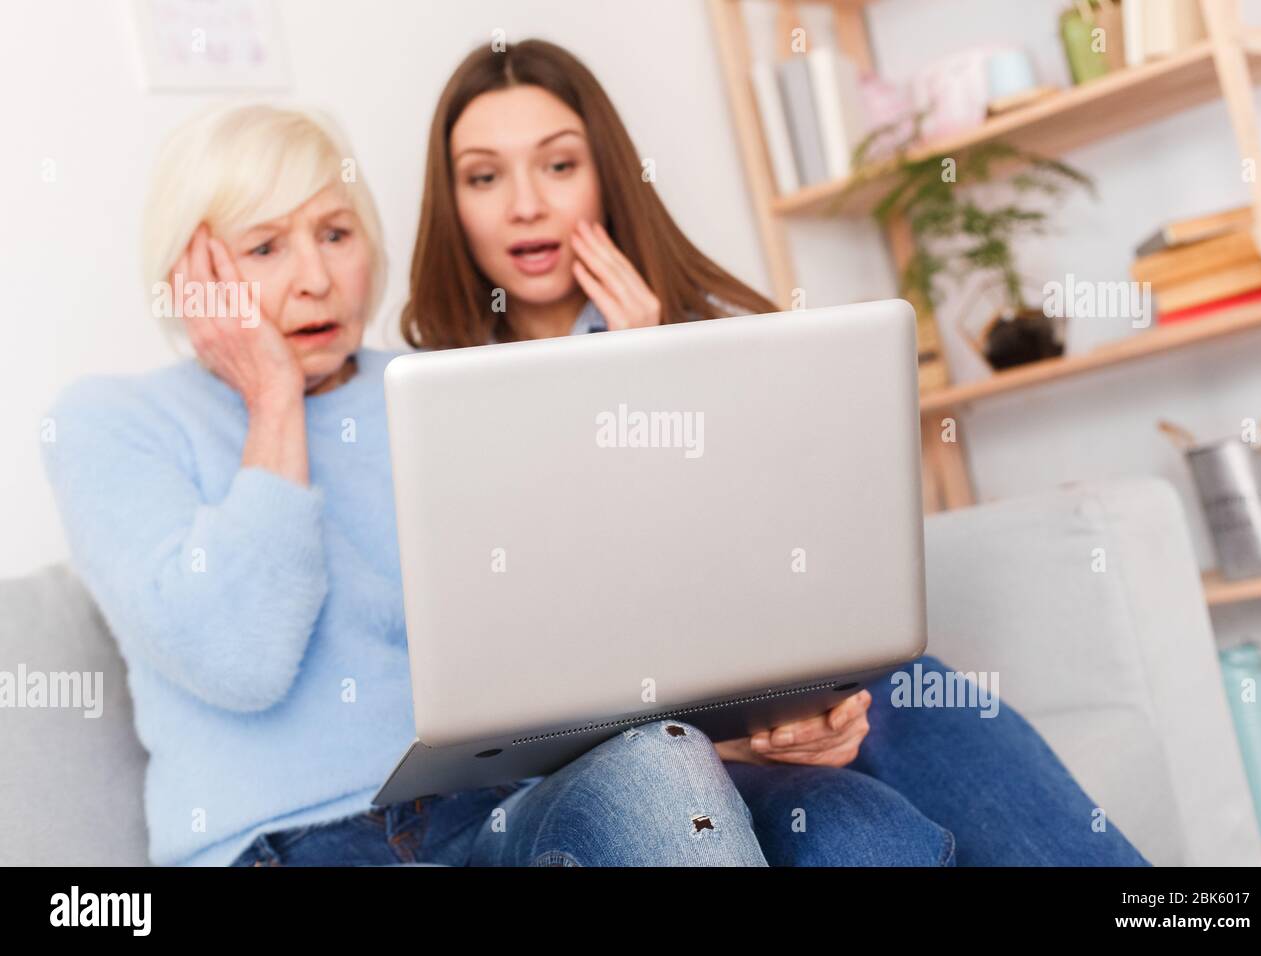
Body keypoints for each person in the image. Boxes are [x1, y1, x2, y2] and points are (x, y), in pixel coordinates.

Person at [399, 38, 1151, 866]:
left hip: (770, 695)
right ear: (454, 203)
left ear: (607, 176)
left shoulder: (719, 334)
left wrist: (658, 368)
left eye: (558, 165)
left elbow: (799, 570)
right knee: (827, 813)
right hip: (613, 752)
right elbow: (511, 664)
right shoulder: (436, 397)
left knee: (903, 694)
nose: (525, 206)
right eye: (484, 176)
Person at [41, 103, 768, 867]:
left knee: (662, 759)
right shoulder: (109, 422)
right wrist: (274, 400)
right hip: (285, 842)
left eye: (335, 234)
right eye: (264, 247)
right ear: (192, 279)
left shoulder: (441, 390)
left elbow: (572, 625)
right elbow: (238, 660)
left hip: (487, 811)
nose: (316, 280)